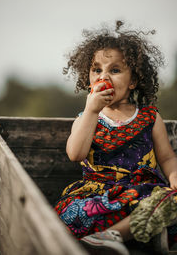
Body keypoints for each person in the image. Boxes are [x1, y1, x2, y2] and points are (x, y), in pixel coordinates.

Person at [55, 21, 177, 255]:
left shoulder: (149, 117)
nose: (104, 77)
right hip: (98, 197)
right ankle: (113, 237)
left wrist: (173, 175)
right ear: (88, 78)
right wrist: (91, 111)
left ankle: (112, 237)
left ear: (132, 81)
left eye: (115, 70)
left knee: (166, 201)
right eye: (97, 70)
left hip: (141, 193)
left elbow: (167, 157)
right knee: (75, 212)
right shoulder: (86, 118)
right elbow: (75, 154)